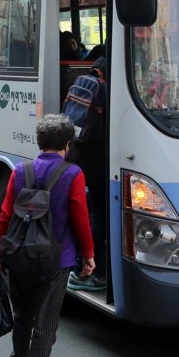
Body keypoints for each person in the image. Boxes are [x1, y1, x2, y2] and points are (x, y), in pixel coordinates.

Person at [0, 114, 95, 357]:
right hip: (56, 261)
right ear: (67, 144)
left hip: (18, 256)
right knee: (47, 321)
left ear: (39, 142)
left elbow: (5, 214)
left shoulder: (20, 171)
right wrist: (88, 255)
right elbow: (80, 219)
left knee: (23, 314)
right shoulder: (73, 174)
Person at [67, 56, 108, 292]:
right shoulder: (103, 90)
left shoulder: (78, 82)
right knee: (99, 217)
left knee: (87, 213)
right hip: (98, 162)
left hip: (78, 157)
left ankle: (76, 265)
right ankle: (84, 271)